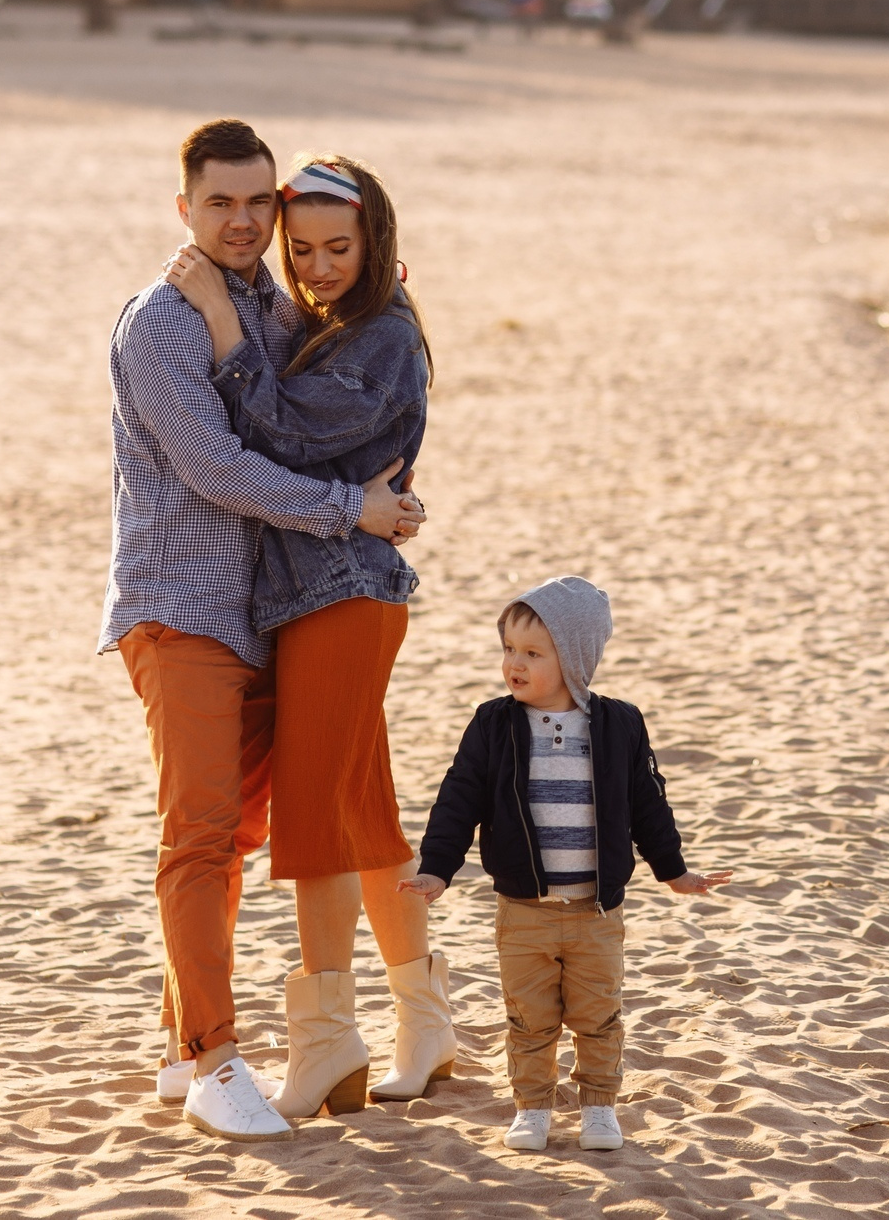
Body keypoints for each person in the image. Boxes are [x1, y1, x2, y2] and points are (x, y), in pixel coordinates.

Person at [104, 119, 426, 1143]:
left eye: (258, 203)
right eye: (220, 204)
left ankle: (173, 1044)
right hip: (180, 608)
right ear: (185, 209)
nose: (241, 222)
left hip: (258, 614)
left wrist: (381, 492)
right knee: (201, 837)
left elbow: (330, 412)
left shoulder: (266, 308)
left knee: (232, 838)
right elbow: (221, 468)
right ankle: (213, 1059)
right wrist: (354, 512)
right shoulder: (162, 321)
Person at [405, 576, 731, 1153]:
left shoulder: (619, 725)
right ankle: (532, 1108)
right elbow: (459, 798)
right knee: (529, 1019)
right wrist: (437, 868)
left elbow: (647, 804)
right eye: (508, 649)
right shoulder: (492, 723)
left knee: (598, 1015)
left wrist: (675, 871)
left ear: (575, 658)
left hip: (596, 911)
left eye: (533, 653)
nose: (514, 663)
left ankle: (599, 1108)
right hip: (523, 911)